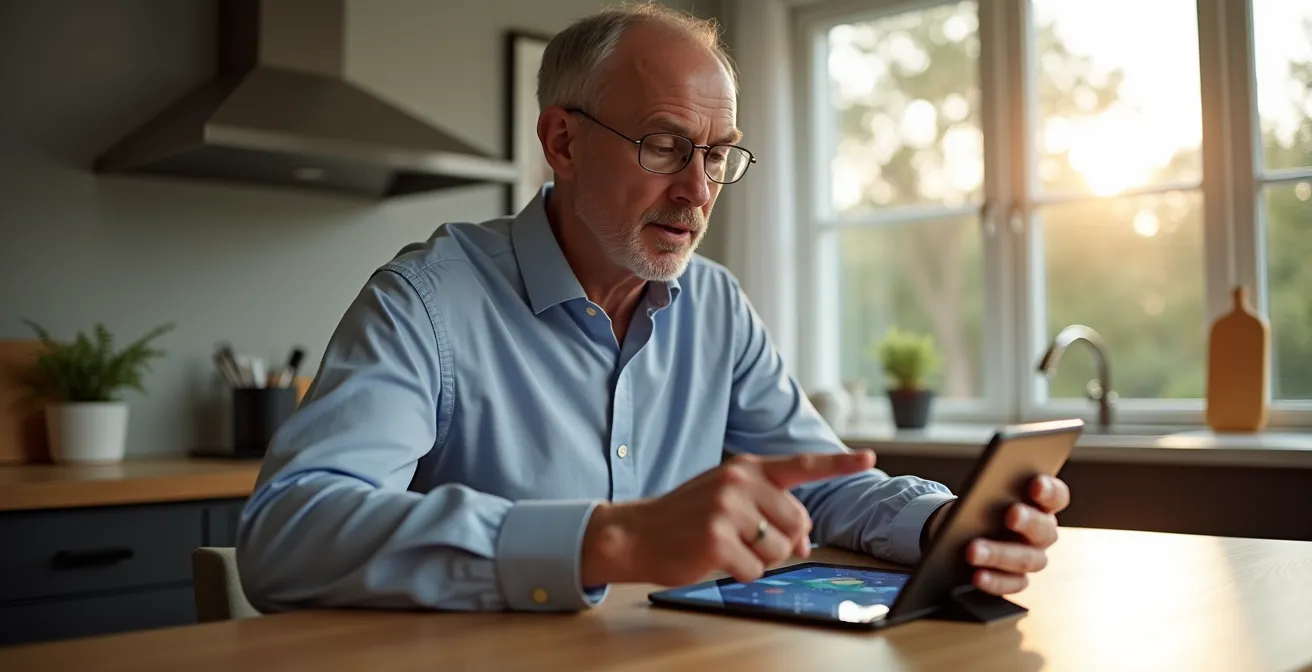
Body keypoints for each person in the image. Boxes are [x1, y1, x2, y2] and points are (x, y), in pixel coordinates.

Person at [236, 2, 1070, 614]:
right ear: (562, 142)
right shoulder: (427, 301)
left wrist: (943, 526)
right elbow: (286, 534)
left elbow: (813, 484)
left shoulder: (714, 304)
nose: (698, 191)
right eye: (666, 145)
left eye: (717, 155)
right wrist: (610, 540)